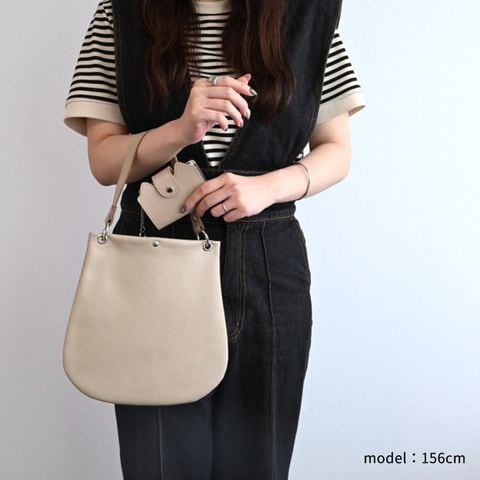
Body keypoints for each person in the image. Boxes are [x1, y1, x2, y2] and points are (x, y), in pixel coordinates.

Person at [63, 0, 366, 478]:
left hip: (269, 270)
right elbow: (104, 160)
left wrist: (268, 187)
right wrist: (180, 130)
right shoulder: (120, 13)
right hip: (153, 266)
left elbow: (336, 150)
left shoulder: (308, 13)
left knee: (259, 466)